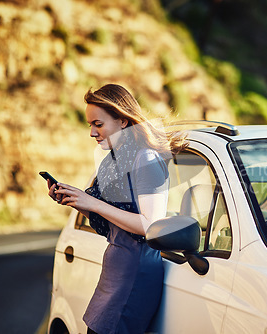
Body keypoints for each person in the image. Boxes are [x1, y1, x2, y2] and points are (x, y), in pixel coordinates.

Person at [46, 84, 187, 334]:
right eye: (90, 125)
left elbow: (150, 226)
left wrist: (93, 203)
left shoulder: (145, 158)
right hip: (116, 270)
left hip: (135, 272)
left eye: (98, 124)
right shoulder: (113, 160)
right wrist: (74, 199)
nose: (92, 132)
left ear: (122, 121)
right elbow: (108, 224)